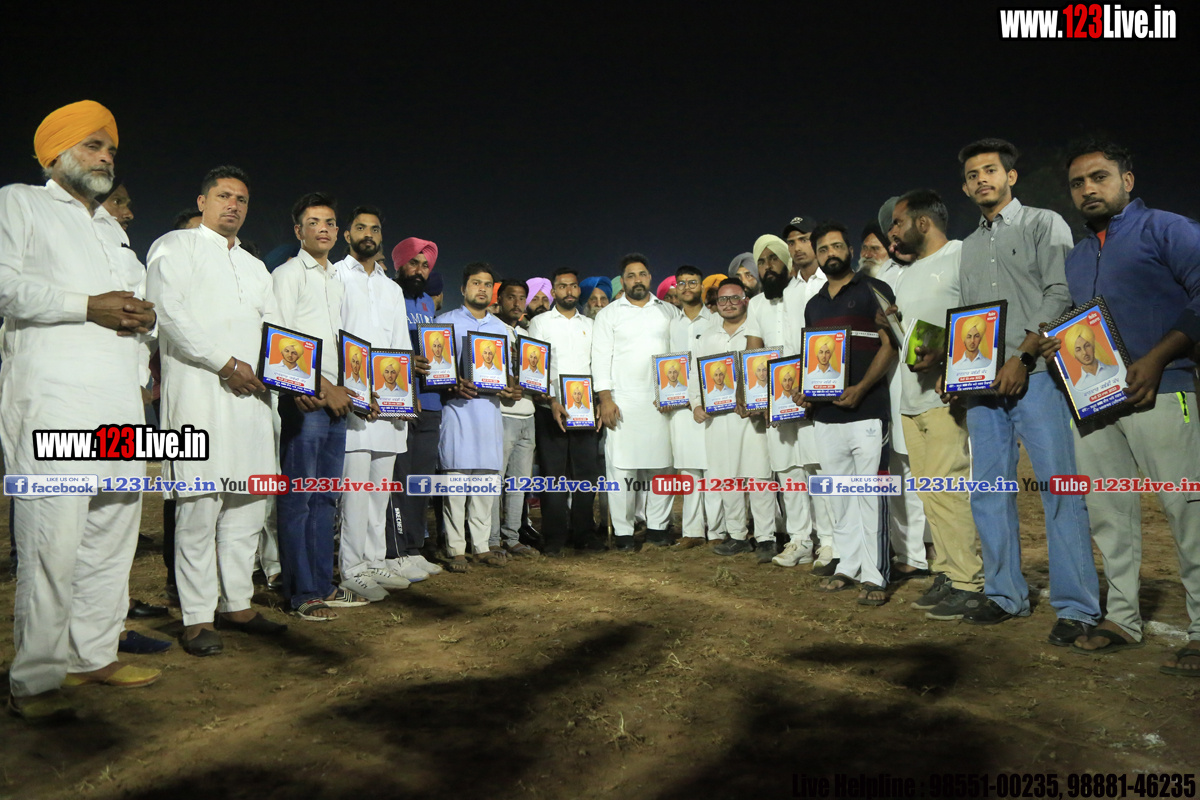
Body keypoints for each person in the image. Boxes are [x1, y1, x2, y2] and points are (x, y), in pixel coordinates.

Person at [2, 100, 161, 719]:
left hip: (119, 405)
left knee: (111, 533)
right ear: (55, 153)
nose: (106, 157)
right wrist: (85, 305)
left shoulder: (113, 230)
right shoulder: (20, 203)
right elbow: (5, 285)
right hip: (54, 401)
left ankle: (92, 655)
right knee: (53, 540)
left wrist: (146, 320)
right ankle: (38, 678)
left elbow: (136, 305)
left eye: (110, 149)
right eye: (93, 145)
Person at [1049, 137, 1200, 672]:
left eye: (1099, 177)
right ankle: (1122, 618)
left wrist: (1158, 358)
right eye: (1078, 183)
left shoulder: (1167, 228)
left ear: (1127, 181)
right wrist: (1056, 345)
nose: (1088, 189)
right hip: (1097, 405)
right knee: (1109, 511)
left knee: (1187, 509)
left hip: (1165, 390)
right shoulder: (1077, 257)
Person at [954, 137, 1100, 641]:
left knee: (1060, 489)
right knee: (988, 492)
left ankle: (1077, 607)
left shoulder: (1044, 223)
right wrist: (959, 373)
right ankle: (1004, 594)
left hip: (1037, 377)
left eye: (990, 170)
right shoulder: (968, 247)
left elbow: (1060, 293)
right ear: (966, 187)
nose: (982, 180)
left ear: (1010, 176)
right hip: (983, 388)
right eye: (972, 175)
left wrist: (1023, 356)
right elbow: (969, 319)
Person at [147, 165, 289, 656]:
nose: (233, 205)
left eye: (242, 199)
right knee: (199, 506)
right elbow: (169, 313)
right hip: (199, 394)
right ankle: (197, 617)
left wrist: (281, 372)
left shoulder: (254, 267)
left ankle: (238, 604)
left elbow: (275, 331)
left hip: (253, 399)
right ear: (203, 201)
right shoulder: (174, 246)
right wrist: (225, 364)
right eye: (224, 196)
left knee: (248, 504)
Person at [879, 189, 984, 620]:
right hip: (910, 400)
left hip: (945, 397)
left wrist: (950, 363)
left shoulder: (962, 256)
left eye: (898, 223)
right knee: (930, 493)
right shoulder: (905, 275)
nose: (893, 233)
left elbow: (980, 321)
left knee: (949, 489)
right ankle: (946, 571)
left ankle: (969, 581)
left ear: (922, 222)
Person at [272, 192, 366, 621]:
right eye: (313, 222)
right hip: (306, 399)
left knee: (327, 496)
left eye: (329, 222)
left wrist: (351, 387)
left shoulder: (336, 281)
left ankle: (324, 583)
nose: (323, 229)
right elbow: (279, 338)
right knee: (299, 497)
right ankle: (301, 592)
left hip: (335, 401)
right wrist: (323, 386)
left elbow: (341, 344)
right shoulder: (288, 275)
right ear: (298, 231)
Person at [332, 205, 428, 599]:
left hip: (390, 403)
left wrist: (408, 396)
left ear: (381, 237)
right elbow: (335, 338)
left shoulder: (391, 288)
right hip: (356, 401)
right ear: (347, 235)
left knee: (379, 490)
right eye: (360, 228)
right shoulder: (335, 276)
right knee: (354, 493)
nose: (368, 234)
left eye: (374, 228)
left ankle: (374, 561)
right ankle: (351, 568)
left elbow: (400, 345)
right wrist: (351, 388)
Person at [804, 222, 896, 606]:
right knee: (839, 497)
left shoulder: (874, 289)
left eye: (837, 246)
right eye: (823, 249)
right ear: (817, 255)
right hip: (827, 416)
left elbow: (890, 344)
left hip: (868, 410)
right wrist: (808, 393)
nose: (831, 254)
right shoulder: (813, 304)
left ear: (850, 250)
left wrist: (861, 387)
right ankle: (848, 564)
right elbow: (813, 359)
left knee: (870, 495)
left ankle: (875, 574)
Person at [745, 231, 834, 571]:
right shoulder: (756, 305)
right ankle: (800, 539)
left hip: (810, 396)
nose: (768, 267)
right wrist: (754, 396)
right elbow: (753, 351)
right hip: (776, 400)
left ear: (786, 261)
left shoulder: (808, 292)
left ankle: (829, 540)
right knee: (787, 470)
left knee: (816, 466)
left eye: (774, 259)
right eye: (762, 261)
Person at [593, 254, 679, 550]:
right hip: (623, 402)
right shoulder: (609, 314)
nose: (637, 280)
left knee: (662, 466)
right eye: (631, 276)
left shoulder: (668, 311)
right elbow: (600, 359)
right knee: (621, 470)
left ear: (650, 277)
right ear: (623, 281)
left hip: (661, 403)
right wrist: (605, 399)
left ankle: (657, 529)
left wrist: (675, 395)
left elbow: (679, 355)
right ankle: (623, 533)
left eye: (642, 274)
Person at [436, 263, 516, 570]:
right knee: (455, 483)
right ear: (463, 288)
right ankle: (456, 548)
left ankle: (481, 546)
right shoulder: (444, 322)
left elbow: (507, 372)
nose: (481, 288)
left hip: (489, 412)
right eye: (475, 283)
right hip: (457, 410)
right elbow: (434, 368)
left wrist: (510, 387)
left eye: (486, 284)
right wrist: (451, 382)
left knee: (485, 482)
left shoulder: (501, 329)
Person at [693, 280, 777, 562]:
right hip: (718, 418)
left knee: (759, 476)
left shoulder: (756, 331)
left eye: (734, 298)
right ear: (715, 303)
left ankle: (766, 537)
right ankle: (737, 535)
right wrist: (696, 404)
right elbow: (695, 374)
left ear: (746, 300)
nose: (728, 304)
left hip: (753, 418)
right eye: (722, 300)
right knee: (727, 478)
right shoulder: (707, 336)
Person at [529, 267, 608, 555]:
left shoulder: (591, 324)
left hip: (585, 409)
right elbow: (536, 365)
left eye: (573, 285)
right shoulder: (540, 323)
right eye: (562, 286)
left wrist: (599, 399)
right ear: (554, 291)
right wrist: (551, 400)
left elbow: (598, 363)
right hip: (550, 408)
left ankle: (583, 533)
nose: (569, 291)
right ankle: (554, 536)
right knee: (553, 475)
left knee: (586, 475)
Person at [390, 237, 445, 571]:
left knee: (420, 481)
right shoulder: (388, 296)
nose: (419, 270)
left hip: (431, 402)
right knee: (398, 480)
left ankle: (413, 548)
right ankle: (394, 549)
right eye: (413, 263)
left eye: (425, 265)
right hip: (401, 401)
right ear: (400, 265)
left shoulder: (427, 302)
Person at [665, 265, 723, 548]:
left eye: (692, 282)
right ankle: (692, 531)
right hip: (680, 406)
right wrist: (663, 393)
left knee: (712, 466)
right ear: (675, 288)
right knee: (688, 468)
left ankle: (718, 531)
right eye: (681, 283)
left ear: (701, 286)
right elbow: (666, 362)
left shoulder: (715, 319)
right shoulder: (672, 324)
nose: (686, 287)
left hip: (710, 402)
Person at [491, 280, 540, 559]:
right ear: (499, 300)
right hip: (502, 414)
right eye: (511, 297)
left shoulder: (526, 335)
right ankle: (492, 540)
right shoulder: (489, 330)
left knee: (519, 483)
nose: (517, 303)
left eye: (522, 298)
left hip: (528, 414)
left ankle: (512, 537)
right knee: (495, 482)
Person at [1061, 323, 1119, 391]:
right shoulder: (1079, 388)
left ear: (1093, 346)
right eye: (1078, 350)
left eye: (1087, 346)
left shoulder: (1116, 370)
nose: (1084, 352)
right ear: (1074, 355)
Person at [948, 315, 992, 380]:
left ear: (980, 339)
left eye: (976, 336)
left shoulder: (989, 364)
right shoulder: (955, 367)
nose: (972, 341)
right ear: (964, 339)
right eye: (969, 337)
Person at [783, 215, 817, 279]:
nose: (797, 248)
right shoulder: (791, 285)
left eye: (804, 240)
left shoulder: (833, 280)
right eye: (791, 243)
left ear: (817, 241)